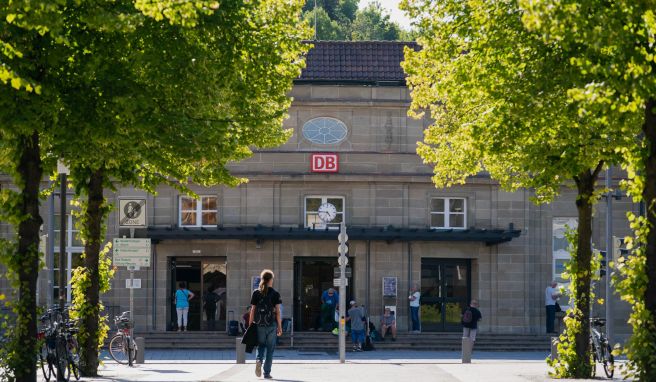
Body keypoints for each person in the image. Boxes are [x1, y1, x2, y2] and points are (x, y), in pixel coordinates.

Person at [249, 269, 282, 380]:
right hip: (271, 324)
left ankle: (258, 360)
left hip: (259, 324)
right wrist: (280, 327)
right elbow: (277, 312)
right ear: (270, 280)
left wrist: (250, 324)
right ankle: (267, 373)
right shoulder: (275, 293)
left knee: (260, 345)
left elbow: (252, 310)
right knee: (270, 349)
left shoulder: (256, 293)